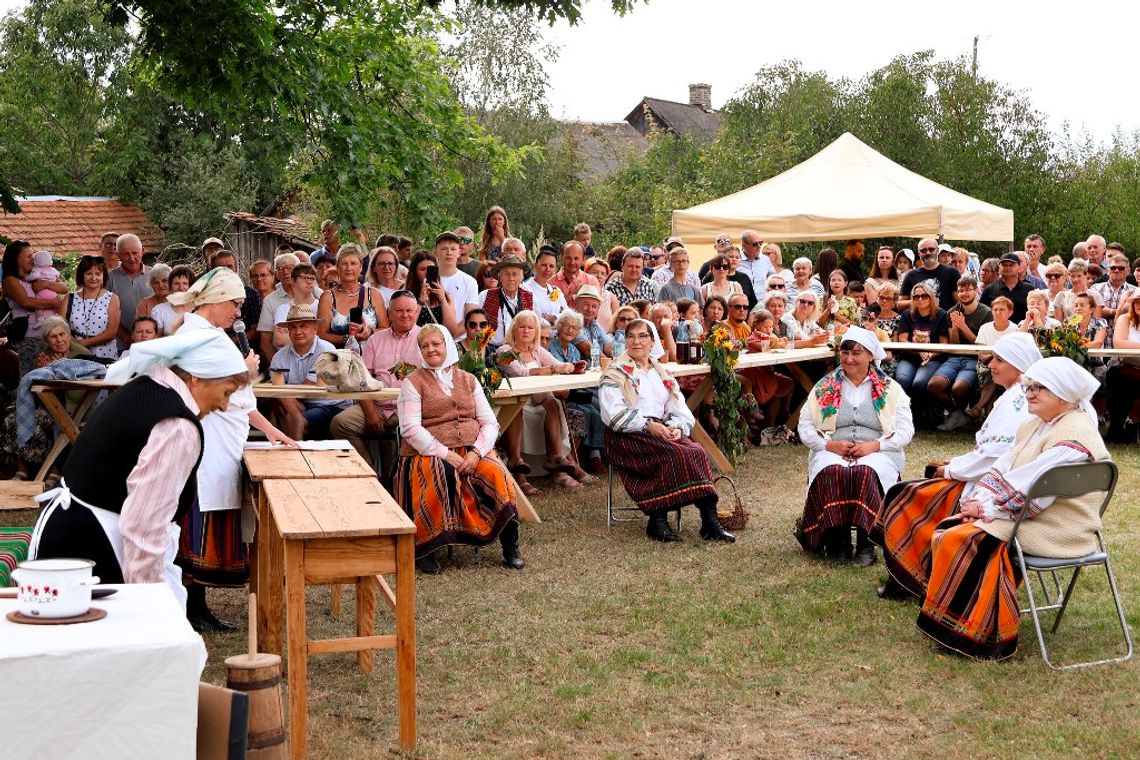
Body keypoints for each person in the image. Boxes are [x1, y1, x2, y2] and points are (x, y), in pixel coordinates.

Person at [30, 330, 249, 608]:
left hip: (71, 535)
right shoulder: (177, 427)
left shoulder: (147, 386)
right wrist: (148, 605)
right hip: (93, 549)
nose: (224, 405)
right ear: (198, 376)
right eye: (226, 391)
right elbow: (144, 526)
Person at [915, 357, 1110, 660]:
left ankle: (981, 636)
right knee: (951, 529)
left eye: (1039, 388)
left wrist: (985, 509)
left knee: (960, 536)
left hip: (1058, 527)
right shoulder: (1035, 425)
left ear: (1062, 394)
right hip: (1031, 516)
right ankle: (956, 624)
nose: (1029, 393)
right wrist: (978, 501)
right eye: (1029, 387)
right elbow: (1005, 467)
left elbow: (1031, 493)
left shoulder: (1075, 436)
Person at [169, 267, 298, 631]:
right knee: (192, 533)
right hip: (205, 447)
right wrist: (243, 370)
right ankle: (189, 610)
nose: (239, 313)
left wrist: (272, 431)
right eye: (235, 304)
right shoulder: (194, 335)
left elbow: (242, 401)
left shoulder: (215, 335)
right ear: (216, 300)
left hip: (227, 445)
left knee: (208, 527)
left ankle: (198, 609)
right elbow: (201, 390)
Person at [875, 333, 1042, 600]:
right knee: (917, 486)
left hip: (993, 487)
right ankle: (914, 575)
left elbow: (994, 456)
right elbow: (990, 451)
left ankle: (911, 580)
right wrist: (955, 464)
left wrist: (951, 470)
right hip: (991, 477)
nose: (991, 365)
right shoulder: (1016, 395)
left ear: (1018, 364)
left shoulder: (1018, 402)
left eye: (999, 360)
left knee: (907, 495)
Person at [395, 323, 521, 574]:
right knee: (440, 472)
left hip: (473, 449)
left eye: (436, 343)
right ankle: (426, 547)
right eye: (425, 346)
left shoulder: (469, 379)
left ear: (447, 346)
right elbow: (409, 428)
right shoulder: (412, 383)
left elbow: (489, 422)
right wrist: (447, 454)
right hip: (429, 451)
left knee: (496, 473)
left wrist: (476, 453)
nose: (431, 349)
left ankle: (511, 545)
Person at [600, 318, 734, 543]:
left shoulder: (661, 373)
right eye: (630, 336)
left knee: (697, 451)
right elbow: (612, 415)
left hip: (660, 430)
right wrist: (647, 425)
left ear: (653, 342)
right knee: (674, 454)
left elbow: (679, 408)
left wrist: (677, 427)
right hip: (625, 435)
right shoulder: (615, 372)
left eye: (643, 336)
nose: (636, 341)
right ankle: (657, 520)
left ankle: (709, 522)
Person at [796, 328, 913, 566]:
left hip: (877, 451)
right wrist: (829, 444)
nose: (849, 359)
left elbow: (905, 431)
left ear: (871, 355)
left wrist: (875, 446)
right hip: (833, 448)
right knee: (833, 471)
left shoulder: (891, 389)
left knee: (864, 472)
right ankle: (837, 541)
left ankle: (866, 542)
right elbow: (805, 426)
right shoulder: (824, 387)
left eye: (856, 353)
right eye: (845, 352)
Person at [498, 310, 588, 493]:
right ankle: (518, 471)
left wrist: (570, 366)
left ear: (536, 332)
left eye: (530, 328)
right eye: (521, 327)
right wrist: (554, 369)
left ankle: (555, 458)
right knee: (525, 405)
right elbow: (521, 373)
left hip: (538, 400)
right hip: (515, 403)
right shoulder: (504, 351)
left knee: (552, 403)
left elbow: (558, 366)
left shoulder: (537, 351)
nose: (526, 331)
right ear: (513, 329)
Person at [330, 291, 423, 462]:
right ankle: (369, 472)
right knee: (340, 424)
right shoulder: (375, 340)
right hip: (378, 407)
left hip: (411, 409)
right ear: (389, 312)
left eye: (409, 310)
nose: (405, 315)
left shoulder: (426, 339)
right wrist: (370, 411)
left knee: (401, 440)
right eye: (399, 310)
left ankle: (394, 481)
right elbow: (362, 378)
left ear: (417, 312)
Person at [2, 318, 93, 480]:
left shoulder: (83, 355)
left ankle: (55, 471)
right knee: (11, 417)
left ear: (69, 334)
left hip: (72, 409)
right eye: (53, 336)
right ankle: (21, 470)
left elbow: (78, 395)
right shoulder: (45, 355)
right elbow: (36, 389)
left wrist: (60, 373)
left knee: (53, 424)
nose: (59, 340)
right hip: (47, 405)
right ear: (46, 340)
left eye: (62, 334)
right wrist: (43, 373)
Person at [268, 303, 350, 440]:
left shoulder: (326, 350)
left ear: (315, 329)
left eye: (303, 326)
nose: (298, 332)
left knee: (291, 411)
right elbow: (276, 387)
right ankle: (295, 451)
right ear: (288, 331)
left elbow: (309, 387)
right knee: (284, 404)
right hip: (302, 404)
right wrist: (284, 397)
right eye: (293, 327)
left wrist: (285, 396)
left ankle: (294, 453)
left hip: (331, 405)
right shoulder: (280, 355)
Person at [929, 275, 991, 431]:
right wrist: (955, 329)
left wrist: (963, 327)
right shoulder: (952, 311)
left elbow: (981, 344)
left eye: (968, 290)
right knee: (934, 385)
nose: (964, 294)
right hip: (955, 357)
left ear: (976, 291)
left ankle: (966, 416)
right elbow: (954, 344)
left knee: (959, 388)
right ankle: (958, 414)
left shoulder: (986, 313)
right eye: (961, 291)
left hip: (975, 358)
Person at [316, 244, 387, 349]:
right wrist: (349, 338)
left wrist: (369, 332)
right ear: (338, 267)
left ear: (361, 267)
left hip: (371, 358)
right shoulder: (327, 297)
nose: (349, 268)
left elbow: (386, 329)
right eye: (344, 263)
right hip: (338, 359)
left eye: (353, 263)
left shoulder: (373, 294)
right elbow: (321, 334)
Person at [3, 240, 67, 343]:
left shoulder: (38, 274)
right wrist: (53, 303)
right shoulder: (10, 280)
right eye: (29, 256)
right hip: (29, 336)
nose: (33, 259)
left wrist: (46, 284)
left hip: (52, 334)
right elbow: (26, 302)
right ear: (16, 259)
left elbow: (64, 288)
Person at [893, 282, 949, 396]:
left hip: (932, 359)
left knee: (919, 382)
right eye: (916, 296)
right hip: (909, 357)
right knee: (902, 379)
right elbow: (902, 339)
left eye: (924, 295)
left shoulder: (941, 314)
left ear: (930, 297)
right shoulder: (907, 315)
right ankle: (902, 410)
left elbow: (944, 343)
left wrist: (930, 354)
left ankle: (923, 411)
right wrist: (920, 351)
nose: (920, 299)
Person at [64, 255, 121, 360]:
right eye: (88, 273)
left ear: (103, 276)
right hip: (75, 354)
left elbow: (111, 332)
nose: (93, 278)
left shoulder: (112, 298)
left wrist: (83, 343)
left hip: (105, 355)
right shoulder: (70, 297)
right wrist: (75, 344)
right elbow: (60, 327)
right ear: (81, 275)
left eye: (98, 274)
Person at [107, 234, 151, 350]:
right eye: (126, 254)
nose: (131, 258)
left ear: (143, 251)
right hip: (120, 345)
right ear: (118, 255)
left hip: (153, 343)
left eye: (135, 253)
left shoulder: (156, 277)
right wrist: (126, 337)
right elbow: (105, 313)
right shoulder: (108, 278)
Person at [1106, 293, 1140, 442]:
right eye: (1137, 302)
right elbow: (1119, 343)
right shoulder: (1124, 319)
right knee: (1116, 377)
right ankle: (1117, 429)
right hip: (1129, 368)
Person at [478, 255, 533, 344]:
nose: (511, 278)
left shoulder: (530, 298)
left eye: (515, 274)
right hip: (491, 351)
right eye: (506, 274)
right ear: (500, 277)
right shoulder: (485, 296)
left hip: (518, 352)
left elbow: (535, 327)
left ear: (521, 278)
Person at [899, 238, 960, 311]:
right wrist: (917, 301)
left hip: (944, 320)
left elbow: (959, 302)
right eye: (923, 250)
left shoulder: (952, 273)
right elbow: (900, 304)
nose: (928, 253)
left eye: (931, 249)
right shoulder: (911, 275)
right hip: (918, 321)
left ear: (937, 250)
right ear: (919, 253)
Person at [271, 262, 321, 349]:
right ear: (293, 280)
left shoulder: (321, 306)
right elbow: (279, 340)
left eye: (312, 278)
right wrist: (313, 334)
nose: (309, 281)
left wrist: (290, 334)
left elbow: (324, 335)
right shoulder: (283, 309)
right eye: (304, 277)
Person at [1090, 254, 1136, 347]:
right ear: (1107, 271)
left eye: (1121, 268)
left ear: (1128, 271)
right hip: (1099, 345)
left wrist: (1107, 311)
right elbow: (1095, 311)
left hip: (1124, 345)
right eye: (1113, 268)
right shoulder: (1095, 288)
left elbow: (1134, 314)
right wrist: (1119, 311)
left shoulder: (1135, 292)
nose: (1116, 270)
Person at [980, 252, 1033, 322]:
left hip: (1023, 331)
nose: (1008, 267)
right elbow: (983, 314)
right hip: (997, 331)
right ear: (999, 268)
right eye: (1004, 265)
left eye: (1011, 265)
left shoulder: (1030, 289)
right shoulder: (990, 290)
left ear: (1018, 266)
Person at [521, 246, 566, 325]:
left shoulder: (556, 290)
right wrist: (558, 317)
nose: (547, 269)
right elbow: (532, 317)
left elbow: (567, 314)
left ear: (555, 270)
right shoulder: (525, 288)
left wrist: (554, 317)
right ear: (535, 265)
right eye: (544, 265)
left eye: (551, 266)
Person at [552, 240, 601, 311]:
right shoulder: (552, 283)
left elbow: (595, 310)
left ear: (583, 259)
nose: (572, 262)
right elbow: (551, 310)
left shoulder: (591, 281)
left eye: (576, 258)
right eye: (568, 258)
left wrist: (580, 295)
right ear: (562, 257)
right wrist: (568, 296)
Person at [150, 266, 193, 336]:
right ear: (170, 287)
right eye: (176, 284)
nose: (181, 287)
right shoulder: (159, 311)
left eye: (185, 283)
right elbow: (156, 339)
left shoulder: (199, 308)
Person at [737, 230, 776, 296]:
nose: (759, 246)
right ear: (743, 245)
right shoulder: (736, 260)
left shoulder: (765, 260)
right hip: (743, 304)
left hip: (762, 303)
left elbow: (773, 279)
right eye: (755, 244)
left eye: (760, 243)